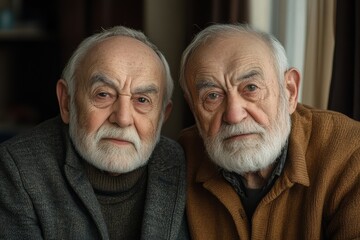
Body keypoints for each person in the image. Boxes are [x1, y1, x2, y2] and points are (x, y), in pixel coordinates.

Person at [0, 26, 189, 239]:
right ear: (66, 102)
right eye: (103, 94)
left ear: (163, 115)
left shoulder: (184, 164)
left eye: (142, 100)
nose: (123, 119)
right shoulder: (17, 169)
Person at [178, 23, 360, 239]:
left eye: (251, 88)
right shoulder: (177, 161)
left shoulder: (350, 151)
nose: (234, 115)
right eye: (212, 96)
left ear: (290, 92)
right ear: (193, 108)